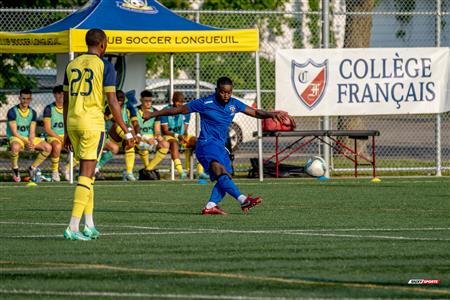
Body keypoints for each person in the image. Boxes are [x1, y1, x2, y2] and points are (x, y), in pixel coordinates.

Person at [144, 77, 293, 215]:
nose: (226, 95)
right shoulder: (204, 103)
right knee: (220, 171)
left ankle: (210, 206)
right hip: (206, 145)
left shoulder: (234, 104)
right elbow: (177, 110)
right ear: (216, 90)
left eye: (228, 92)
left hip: (222, 147)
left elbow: (254, 112)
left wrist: (271, 114)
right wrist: (152, 115)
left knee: (225, 177)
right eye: (222, 92)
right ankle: (243, 200)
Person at [63, 28, 134, 241]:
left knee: (89, 173)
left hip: (73, 123)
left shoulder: (72, 64)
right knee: (86, 174)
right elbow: (112, 101)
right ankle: (73, 227)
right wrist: (127, 131)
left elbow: (66, 101)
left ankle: (89, 225)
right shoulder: (105, 65)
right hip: (92, 124)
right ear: (103, 44)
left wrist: (66, 130)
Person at [7, 88, 52, 182]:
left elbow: (32, 131)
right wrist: (27, 142)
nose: (25, 101)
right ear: (19, 98)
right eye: (23, 98)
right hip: (17, 137)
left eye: (28, 99)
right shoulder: (12, 111)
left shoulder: (33, 112)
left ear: (30, 99)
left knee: (48, 147)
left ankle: (32, 168)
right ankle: (15, 169)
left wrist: (31, 141)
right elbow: (15, 132)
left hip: (28, 138)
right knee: (15, 147)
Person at [160, 92, 208, 180]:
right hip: (170, 136)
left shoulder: (186, 111)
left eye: (182, 102)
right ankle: (181, 172)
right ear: (173, 101)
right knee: (174, 144)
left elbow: (185, 129)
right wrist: (178, 135)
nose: (180, 104)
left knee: (199, 142)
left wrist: (185, 135)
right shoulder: (166, 110)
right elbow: (165, 130)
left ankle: (200, 172)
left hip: (181, 135)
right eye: (178, 102)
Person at [94, 90, 139, 181]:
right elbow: (116, 121)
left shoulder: (129, 107)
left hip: (124, 136)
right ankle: (69, 168)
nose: (119, 101)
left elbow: (135, 123)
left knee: (128, 145)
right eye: (117, 99)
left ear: (124, 99)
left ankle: (129, 173)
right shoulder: (108, 107)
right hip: (109, 136)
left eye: (121, 99)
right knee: (119, 125)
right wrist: (130, 134)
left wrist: (137, 134)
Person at [134, 90, 169, 178]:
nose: (148, 103)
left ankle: (148, 169)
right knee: (144, 145)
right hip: (138, 138)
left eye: (150, 101)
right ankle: (147, 170)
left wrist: (157, 137)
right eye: (146, 101)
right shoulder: (134, 111)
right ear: (141, 100)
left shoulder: (155, 112)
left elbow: (157, 130)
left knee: (165, 144)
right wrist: (146, 139)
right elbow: (134, 130)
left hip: (151, 139)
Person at [43, 85, 70, 182]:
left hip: (66, 135)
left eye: (63, 93)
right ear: (54, 94)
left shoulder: (69, 107)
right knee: (57, 146)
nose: (61, 95)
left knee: (80, 146)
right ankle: (55, 172)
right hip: (53, 136)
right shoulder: (49, 108)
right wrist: (60, 138)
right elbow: (47, 129)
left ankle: (67, 168)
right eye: (59, 93)